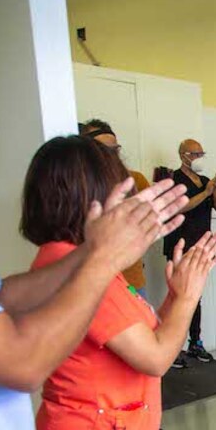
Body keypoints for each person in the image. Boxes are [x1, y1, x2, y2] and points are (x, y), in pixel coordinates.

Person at [0, 27, 188, 430]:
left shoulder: (65, 261)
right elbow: (27, 364)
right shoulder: (86, 269)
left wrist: (103, 250)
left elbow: (0, 294)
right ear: (88, 194)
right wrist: (174, 287)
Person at [21, 136, 216, 430]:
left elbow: (141, 335)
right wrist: (188, 297)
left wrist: (176, 296)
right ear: (88, 198)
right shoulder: (80, 268)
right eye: (123, 195)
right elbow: (155, 357)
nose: (133, 208)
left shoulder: (84, 260)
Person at [164, 138, 216, 367]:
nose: (200, 158)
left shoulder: (206, 181)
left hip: (201, 245)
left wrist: (213, 189)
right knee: (177, 294)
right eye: (195, 153)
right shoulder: (174, 180)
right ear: (183, 155)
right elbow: (182, 206)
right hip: (180, 244)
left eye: (202, 153)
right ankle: (172, 345)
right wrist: (205, 192)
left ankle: (195, 341)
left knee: (195, 296)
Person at [81, 119, 152, 300]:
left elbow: (152, 220)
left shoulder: (135, 180)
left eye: (115, 150)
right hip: (93, 284)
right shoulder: (79, 186)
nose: (111, 156)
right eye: (103, 150)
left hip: (132, 281)